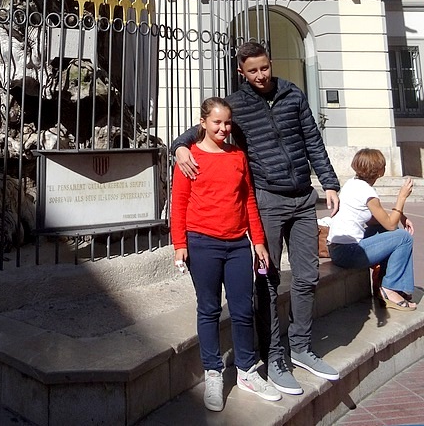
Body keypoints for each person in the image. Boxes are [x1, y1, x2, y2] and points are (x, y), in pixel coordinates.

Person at [174, 40, 341, 395]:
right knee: (267, 279)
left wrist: (329, 182)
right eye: (252, 71)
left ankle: (301, 346)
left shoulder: (292, 94)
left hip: (303, 196)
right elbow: (200, 131)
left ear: (271, 63)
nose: (261, 75)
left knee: (307, 276)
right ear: (241, 72)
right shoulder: (235, 105)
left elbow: (312, 139)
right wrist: (179, 148)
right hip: (268, 198)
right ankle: (274, 355)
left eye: (264, 67)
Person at [171, 97, 281, 411]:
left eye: (227, 122)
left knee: (243, 309)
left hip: (237, 245)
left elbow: (248, 201)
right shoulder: (189, 158)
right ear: (203, 123)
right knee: (208, 309)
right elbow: (179, 204)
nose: (223, 128)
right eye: (217, 122)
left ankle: (246, 370)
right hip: (202, 243)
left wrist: (257, 241)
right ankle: (213, 372)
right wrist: (180, 245)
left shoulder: (237, 156)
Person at [328, 149, 416, 311]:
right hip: (349, 253)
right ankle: (390, 289)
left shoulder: (352, 184)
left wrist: (400, 216)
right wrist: (402, 198)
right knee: (404, 237)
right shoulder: (367, 192)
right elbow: (390, 224)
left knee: (389, 232)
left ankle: (384, 282)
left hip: (338, 249)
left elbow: (378, 220)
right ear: (379, 171)